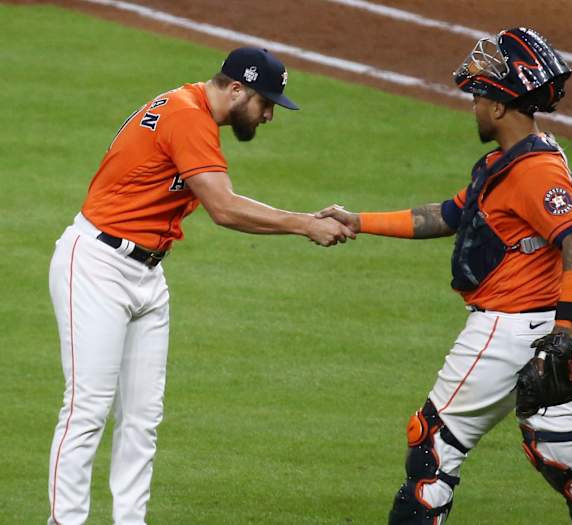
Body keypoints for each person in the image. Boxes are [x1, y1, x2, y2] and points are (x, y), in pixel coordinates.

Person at [318, 28, 572, 525]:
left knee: (433, 447)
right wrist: (358, 221)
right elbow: (446, 215)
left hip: (511, 332)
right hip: (544, 330)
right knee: (570, 463)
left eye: (480, 95)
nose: (474, 105)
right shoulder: (510, 161)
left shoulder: (535, 171)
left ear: (502, 107)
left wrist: (563, 333)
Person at [47, 47, 354, 525]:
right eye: (265, 102)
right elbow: (224, 208)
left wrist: (301, 219)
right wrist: (302, 225)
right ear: (236, 89)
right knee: (86, 410)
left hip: (147, 273)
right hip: (97, 265)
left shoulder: (189, 110)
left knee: (143, 420)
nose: (269, 115)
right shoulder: (187, 116)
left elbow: (221, 194)